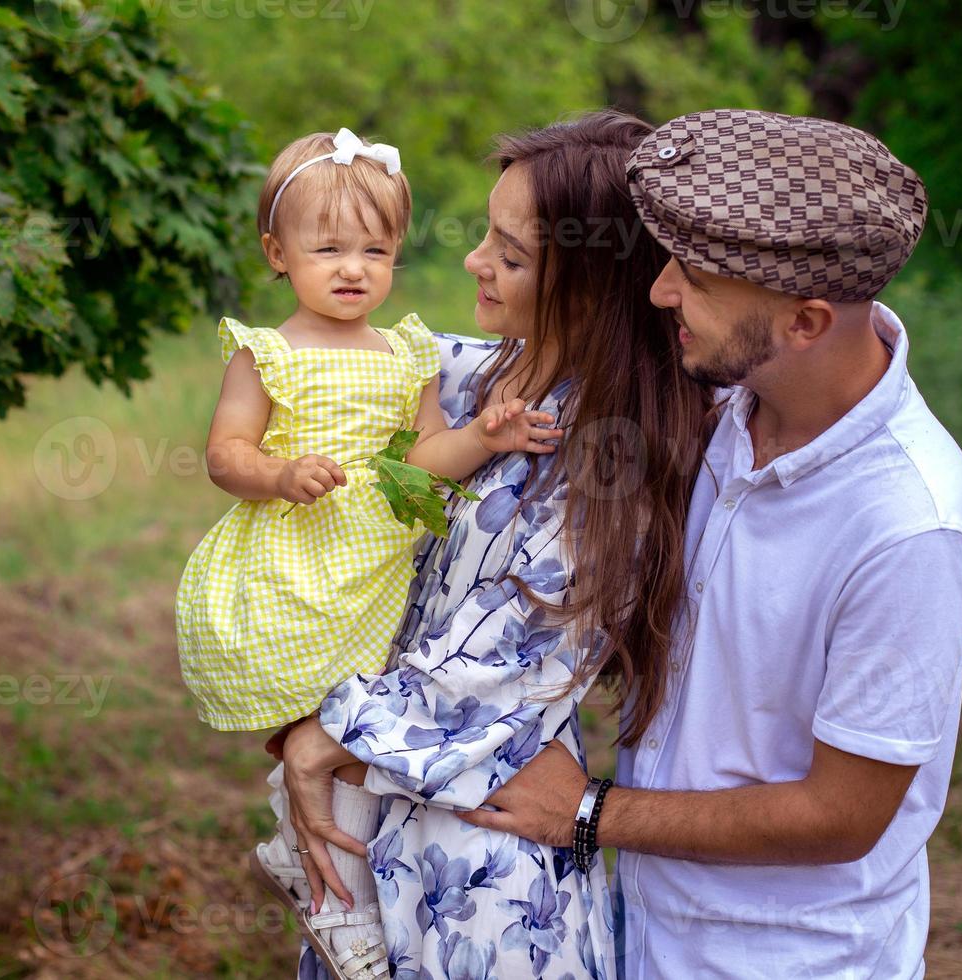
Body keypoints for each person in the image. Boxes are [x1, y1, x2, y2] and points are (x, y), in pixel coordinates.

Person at [459, 109, 962, 979]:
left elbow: (842, 816)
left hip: (780, 959)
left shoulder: (908, 526)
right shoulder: (717, 414)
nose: (662, 289)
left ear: (807, 322)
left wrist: (588, 813)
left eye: (697, 278)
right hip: (639, 924)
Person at [278, 110, 711, 979]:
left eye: (511, 257)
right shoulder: (455, 375)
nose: (476, 262)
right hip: (372, 825)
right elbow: (321, 370)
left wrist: (330, 737)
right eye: (487, 233)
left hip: (482, 859)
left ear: (595, 286)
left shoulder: (614, 450)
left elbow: (519, 654)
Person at [174, 126, 560, 979]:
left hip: (373, 568)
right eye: (328, 249)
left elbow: (421, 464)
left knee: (349, 729)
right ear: (277, 253)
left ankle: (314, 867)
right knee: (302, 712)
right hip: (293, 560)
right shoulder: (266, 352)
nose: (354, 268)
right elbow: (223, 454)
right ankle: (331, 899)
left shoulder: (408, 352)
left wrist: (484, 434)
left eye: (375, 250)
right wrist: (277, 473)